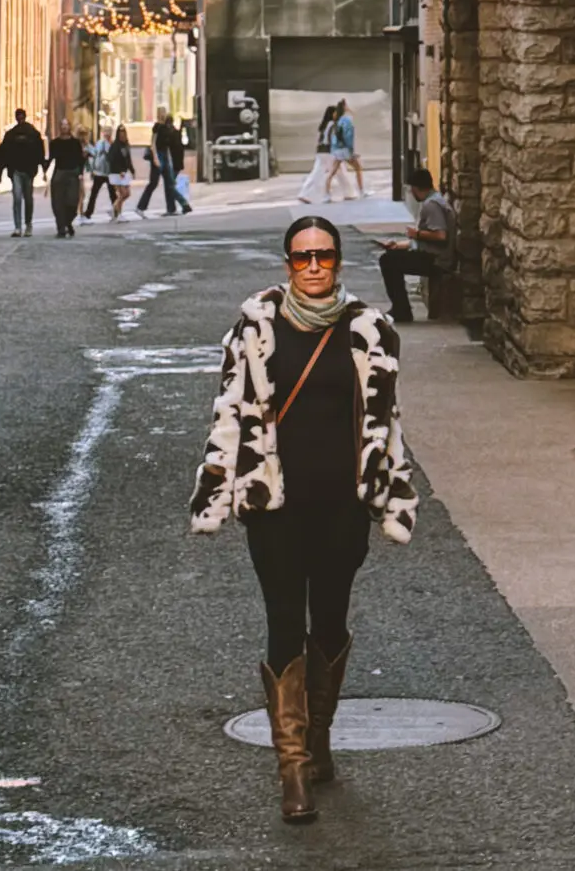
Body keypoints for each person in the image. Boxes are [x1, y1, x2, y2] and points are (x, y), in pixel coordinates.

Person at [191, 214, 417, 824]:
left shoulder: (370, 331)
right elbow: (230, 416)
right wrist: (219, 487)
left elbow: (385, 423)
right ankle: (292, 768)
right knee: (285, 620)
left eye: (324, 256)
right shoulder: (254, 331)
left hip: (342, 506)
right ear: (286, 262)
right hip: (276, 508)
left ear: (339, 260)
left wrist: (388, 491)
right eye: (301, 257)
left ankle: (318, 740)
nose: (313, 266)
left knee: (333, 619)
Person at [376, 168, 458, 324]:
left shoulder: (431, 205)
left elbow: (441, 235)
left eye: (411, 189)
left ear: (416, 188)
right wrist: (397, 245)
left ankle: (402, 310)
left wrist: (417, 234)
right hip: (432, 254)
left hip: (436, 260)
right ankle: (401, 308)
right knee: (391, 257)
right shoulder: (434, 201)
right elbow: (424, 242)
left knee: (388, 262)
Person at [0, 109, 47, 238]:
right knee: (21, 198)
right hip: (22, 171)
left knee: (24, 199)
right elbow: (39, 153)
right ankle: (20, 226)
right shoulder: (32, 134)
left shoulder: (12, 135)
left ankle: (25, 225)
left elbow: (3, 155)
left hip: (23, 171)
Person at [137, 108, 192, 216]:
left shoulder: (167, 128)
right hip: (158, 156)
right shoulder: (157, 126)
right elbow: (152, 143)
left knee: (169, 183)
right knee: (153, 183)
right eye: (161, 113)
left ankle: (177, 207)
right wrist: (155, 158)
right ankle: (140, 207)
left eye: (164, 112)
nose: (163, 115)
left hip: (165, 157)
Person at [48, 126, 86, 237]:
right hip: (59, 173)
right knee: (58, 202)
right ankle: (61, 228)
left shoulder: (75, 143)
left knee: (73, 201)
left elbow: (80, 159)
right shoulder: (55, 143)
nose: (64, 128)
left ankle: (67, 222)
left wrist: (81, 173)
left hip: (73, 173)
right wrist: (44, 169)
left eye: (66, 126)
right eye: (62, 126)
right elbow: (51, 158)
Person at [298, 105, 339, 206]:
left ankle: (305, 193)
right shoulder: (333, 125)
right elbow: (332, 139)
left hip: (321, 151)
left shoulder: (324, 125)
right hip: (329, 152)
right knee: (326, 174)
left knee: (317, 173)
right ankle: (325, 195)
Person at [325, 101, 364, 201]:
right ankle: (362, 191)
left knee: (332, 172)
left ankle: (327, 193)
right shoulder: (346, 120)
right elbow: (348, 137)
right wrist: (351, 150)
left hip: (337, 149)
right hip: (345, 149)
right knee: (358, 168)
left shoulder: (337, 120)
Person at [105, 123, 136, 219]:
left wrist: (132, 170)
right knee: (122, 194)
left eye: (124, 133)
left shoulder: (126, 145)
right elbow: (110, 159)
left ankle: (114, 209)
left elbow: (128, 159)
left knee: (127, 194)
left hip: (124, 172)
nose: (122, 135)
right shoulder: (115, 146)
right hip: (116, 173)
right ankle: (118, 213)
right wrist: (119, 171)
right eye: (120, 133)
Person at [83, 129, 113, 217]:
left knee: (112, 194)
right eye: (105, 132)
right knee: (93, 194)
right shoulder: (100, 143)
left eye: (109, 132)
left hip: (108, 173)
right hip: (99, 173)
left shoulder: (112, 144)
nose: (107, 134)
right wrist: (87, 146)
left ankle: (116, 210)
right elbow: (95, 153)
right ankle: (89, 212)